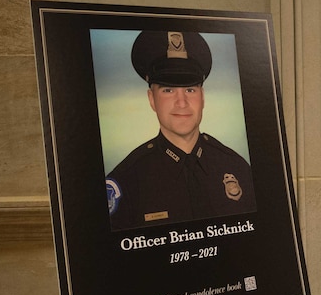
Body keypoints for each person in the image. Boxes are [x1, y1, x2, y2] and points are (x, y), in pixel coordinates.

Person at [106, 30, 256, 230]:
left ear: (202, 97)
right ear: (152, 99)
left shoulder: (238, 168)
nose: (182, 102)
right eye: (168, 90)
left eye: (190, 90)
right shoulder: (127, 180)